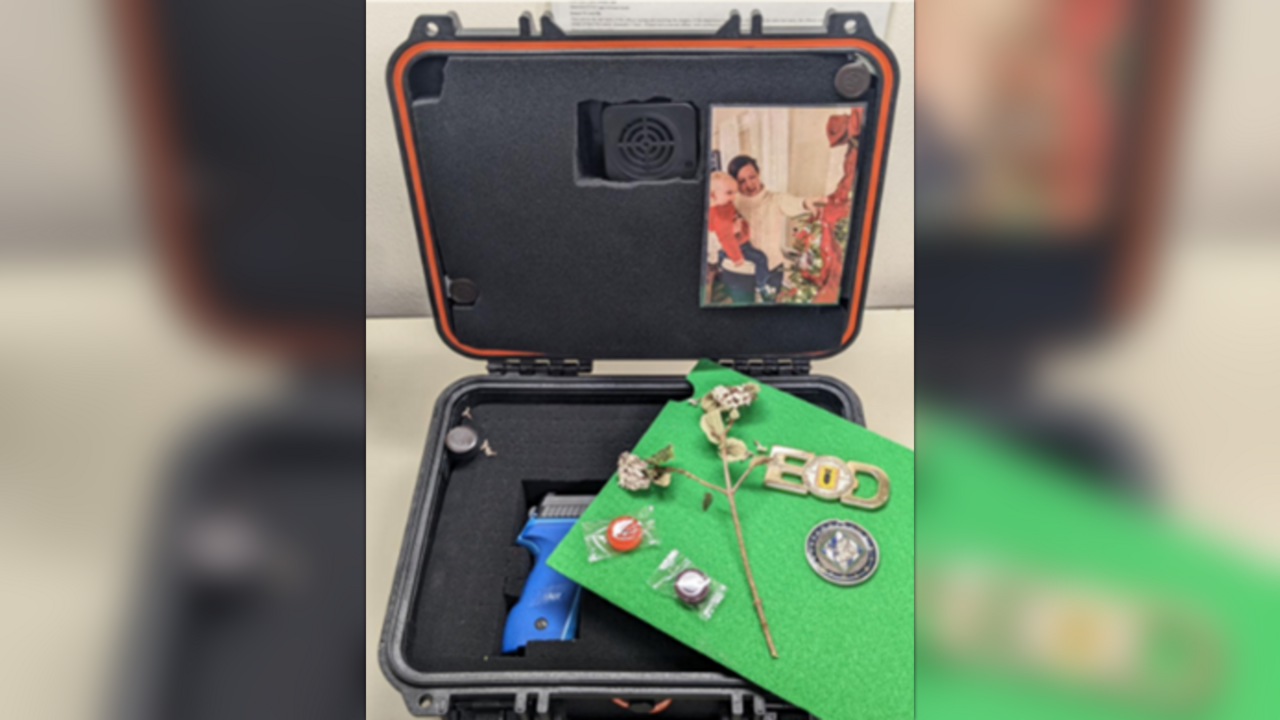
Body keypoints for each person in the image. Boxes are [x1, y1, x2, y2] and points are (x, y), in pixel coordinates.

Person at [727, 156, 826, 288]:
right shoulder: (730, 203)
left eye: (752, 177)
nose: (749, 185)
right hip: (741, 271)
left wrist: (806, 202)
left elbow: (793, 203)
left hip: (772, 269)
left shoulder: (775, 199)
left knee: (772, 300)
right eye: (742, 181)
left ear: (758, 174)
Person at [706, 172, 771, 300]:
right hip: (738, 247)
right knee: (761, 258)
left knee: (725, 252)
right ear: (713, 195)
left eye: (735, 192)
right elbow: (727, 239)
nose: (734, 196)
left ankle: (721, 260)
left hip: (732, 245)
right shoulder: (721, 218)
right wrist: (737, 258)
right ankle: (761, 285)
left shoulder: (722, 204)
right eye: (729, 193)